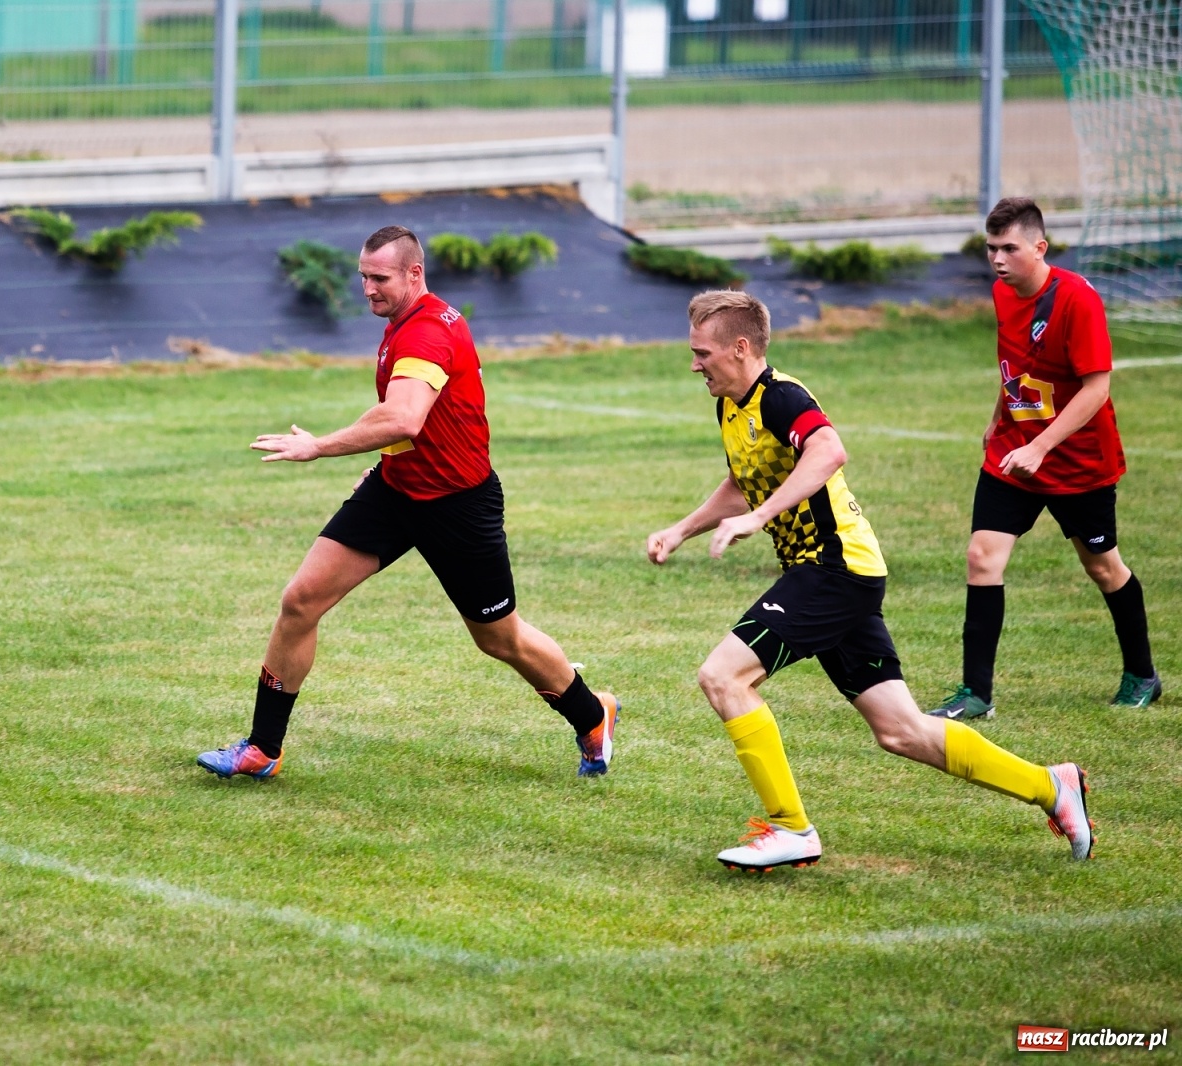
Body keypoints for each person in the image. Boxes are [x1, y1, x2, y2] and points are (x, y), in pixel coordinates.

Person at [644, 290, 1094, 870]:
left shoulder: (781, 397)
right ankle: (1051, 786)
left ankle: (790, 829)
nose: (694, 364)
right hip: (842, 575)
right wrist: (683, 529)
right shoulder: (731, 406)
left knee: (723, 676)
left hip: (832, 568)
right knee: (902, 731)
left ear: (739, 347)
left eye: (702, 352)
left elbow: (829, 450)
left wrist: (758, 519)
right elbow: (744, 477)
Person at [197, 226, 619, 780]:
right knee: (301, 601)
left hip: (458, 506)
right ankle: (262, 748)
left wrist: (318, 446)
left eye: (379, 278)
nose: (367, 288)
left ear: (414, 274)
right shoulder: (405, 321)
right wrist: (380, 468)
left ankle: (592, 715)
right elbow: (417, 428)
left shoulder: (425, 334)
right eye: (363, 277)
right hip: (397, 489)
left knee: (499, 638)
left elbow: (403, 418)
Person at [927, 196, 1160, 720]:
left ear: (1040, 247)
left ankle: (1143, 674)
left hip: (1079, 463)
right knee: (982, 557)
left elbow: (1096, 389)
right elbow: (1018, 366)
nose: (997, 259)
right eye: (991, 248)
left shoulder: (1076, 300)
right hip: (1014, 455)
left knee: (1102, 567)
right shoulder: (1001, 292)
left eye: (1009, 248)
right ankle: (976, 693)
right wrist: (999, 417)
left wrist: (1041, 446)